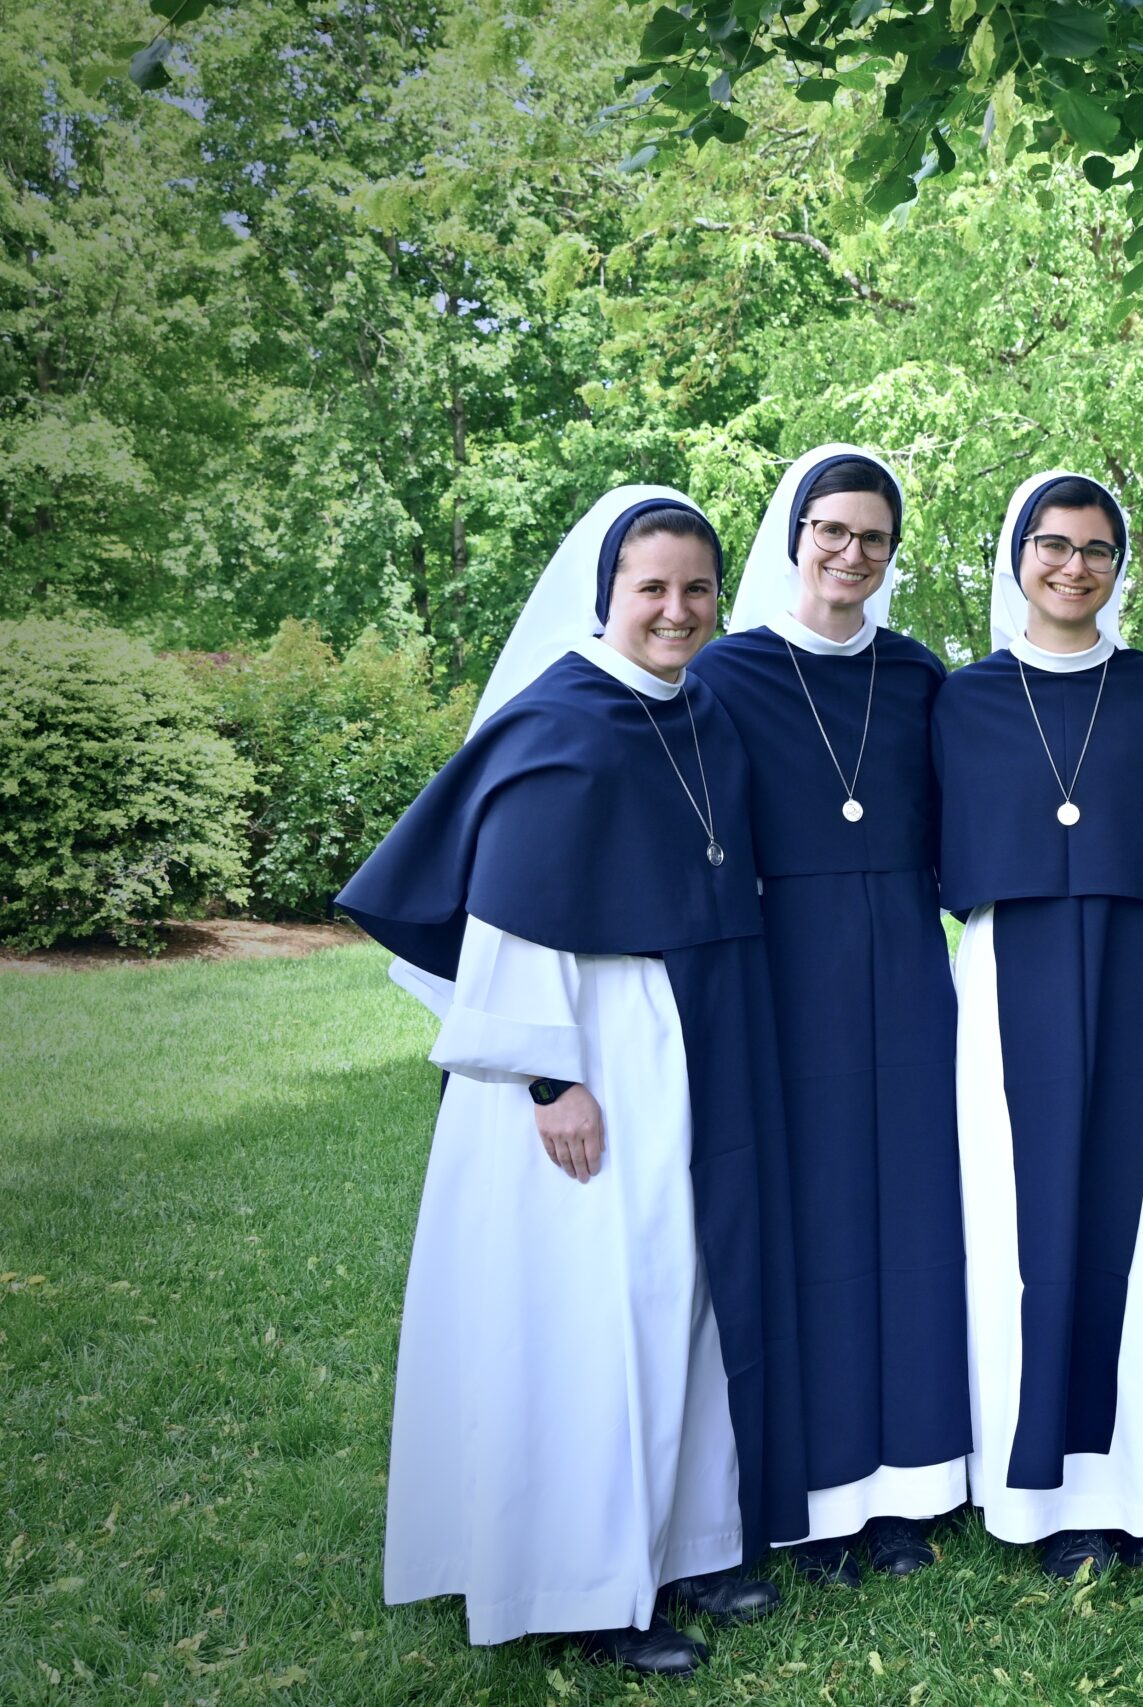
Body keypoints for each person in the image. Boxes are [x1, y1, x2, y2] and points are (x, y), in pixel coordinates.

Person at [337, 488, 808, 1678]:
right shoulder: (562, 721)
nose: (677, 610)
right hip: (585, 1054)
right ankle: (584, 1589)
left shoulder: (696, 711)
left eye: (696, 588)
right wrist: (551, 1080)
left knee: (678, 1291)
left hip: (679, 1038)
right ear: (608, 595)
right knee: (595, 1313)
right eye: (652, 588)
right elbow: (514, 917)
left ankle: (685, 1543)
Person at [689, 446, 970, 1586]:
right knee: (811, 1224)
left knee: (915, 1217)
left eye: (874, 537)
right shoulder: (726, 672)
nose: (852, 553)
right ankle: (815, 1495)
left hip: (905, 963)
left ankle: (910, 1490)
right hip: (788, 972)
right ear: (796, 535)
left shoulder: (918, 675)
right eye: (833, 531)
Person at [931, 471, 1143, 1579]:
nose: (1073, 567)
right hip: (1009, 978)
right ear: (1017, 557)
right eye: (1053, 545)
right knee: (1017, 1227)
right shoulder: (961, 699)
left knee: (1140, 1223)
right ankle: (1033, 1490)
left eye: (1097, 549)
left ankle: (1136, 1483)